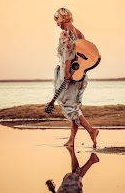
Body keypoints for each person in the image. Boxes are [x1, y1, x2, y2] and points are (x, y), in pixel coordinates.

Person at [53, 8, 99, 148]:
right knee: (75, 106)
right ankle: (72, 140)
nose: (57, 24)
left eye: (57, 20)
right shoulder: (79, 33)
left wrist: (67, 72)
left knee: (69, 106)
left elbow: (68, 54)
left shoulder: (65, 33)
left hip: (69, 75)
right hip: (80, 74)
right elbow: (87, 54)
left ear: (63, 18)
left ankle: (91, 130)